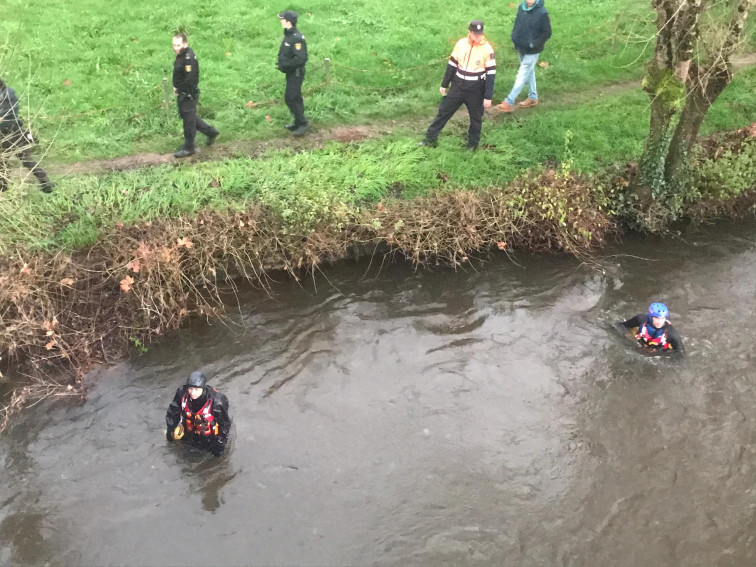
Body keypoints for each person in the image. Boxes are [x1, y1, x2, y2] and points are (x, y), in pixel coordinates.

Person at [419, 20, 496, 151]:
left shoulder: (487, 49)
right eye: (475, 34)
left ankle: (472, 145)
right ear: (469, 32)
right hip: (458, 86)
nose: (478, 37)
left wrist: (488, 96)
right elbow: (452, 65)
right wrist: (444, 84)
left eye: (480, 34)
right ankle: (430, 139)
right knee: (443, 112)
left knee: (476, 118)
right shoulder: (461, 44)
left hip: (475, 89)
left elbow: (491, 73)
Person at [495, 0, 552, 113]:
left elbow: (547, 32)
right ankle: (533, 97)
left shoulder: (542, 13)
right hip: (520, 47)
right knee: (529, 73)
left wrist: (535, 43)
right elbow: (517, 24)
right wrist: (514, 37)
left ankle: (509, 102)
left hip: (533, 50)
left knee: (522, 74)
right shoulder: (522, 8)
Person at [0, 78, 54, 193]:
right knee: (24, 159)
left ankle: (3, 187)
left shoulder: (5, 98)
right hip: (13, 132)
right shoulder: (9, 93)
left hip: (8, 133)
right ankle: (45, 181)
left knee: (5, 161)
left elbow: (6, 117)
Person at [172, 33, 219, 158]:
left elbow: (191, 80)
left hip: (188, 94)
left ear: (185, 44)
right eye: (174, 45)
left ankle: (189, 147)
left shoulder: (189, 59)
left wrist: (182, 90)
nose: (175, 48)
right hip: (182, 92)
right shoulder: (181, 55)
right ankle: (211, 132)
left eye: (178, 45)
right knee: (187, 116)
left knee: (188, 121)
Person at [166, 371, 232, 457]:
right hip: (189, 434)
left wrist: (220, 443)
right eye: (190, 389)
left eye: (196, 389)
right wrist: (170, 429)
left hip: (209, 438)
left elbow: (225, 424)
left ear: (203, 388)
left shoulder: (217, 401)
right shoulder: (182, 393)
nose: (192, 393)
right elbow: (173, 411)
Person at [277, 10, 309, 137]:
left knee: (290, 98)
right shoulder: (288, 35)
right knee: (296, 97)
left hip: (296, 73)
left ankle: (303, 123)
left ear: (288, 22)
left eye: (282, 19)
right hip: (290, 73)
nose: (280, 21)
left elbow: (301, 59)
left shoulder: (296, 38)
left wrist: (285, 65)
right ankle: (298, 121)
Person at [616, 302, 685, 356]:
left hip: (660, 350)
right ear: (650, 317)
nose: (660, 322)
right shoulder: (640, 319)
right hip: (642, 342)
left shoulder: (671, 333)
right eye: (656, 318)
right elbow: (622, 326)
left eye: (662, 318)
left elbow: (680, 353)